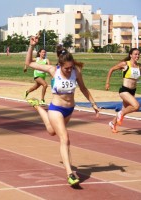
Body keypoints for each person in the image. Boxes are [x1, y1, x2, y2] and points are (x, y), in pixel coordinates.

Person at [25, 35, 100, 186]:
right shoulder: (53, 70)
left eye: (71, 67)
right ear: (60, 65)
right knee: (65, 139)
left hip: (69, 109)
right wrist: (32, 46)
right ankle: (70, 174)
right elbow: (29, 63)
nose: (69, 70)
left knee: (51, 132)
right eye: (66, 68)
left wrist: (93, 104)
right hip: (56, 109)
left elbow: (84, 88)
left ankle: (38, 107)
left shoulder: (76, 72)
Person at [105, 48, 140, 133]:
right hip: (124, 90)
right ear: (130, 55)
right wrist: (107, 82)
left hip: (132, 91)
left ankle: (113, 123)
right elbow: (111, 69)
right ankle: (121, 114)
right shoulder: (125, 64)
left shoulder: (139, 66)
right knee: (136, 106)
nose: (137, 56)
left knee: (124, 109)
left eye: (138, 54)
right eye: (135, 54)